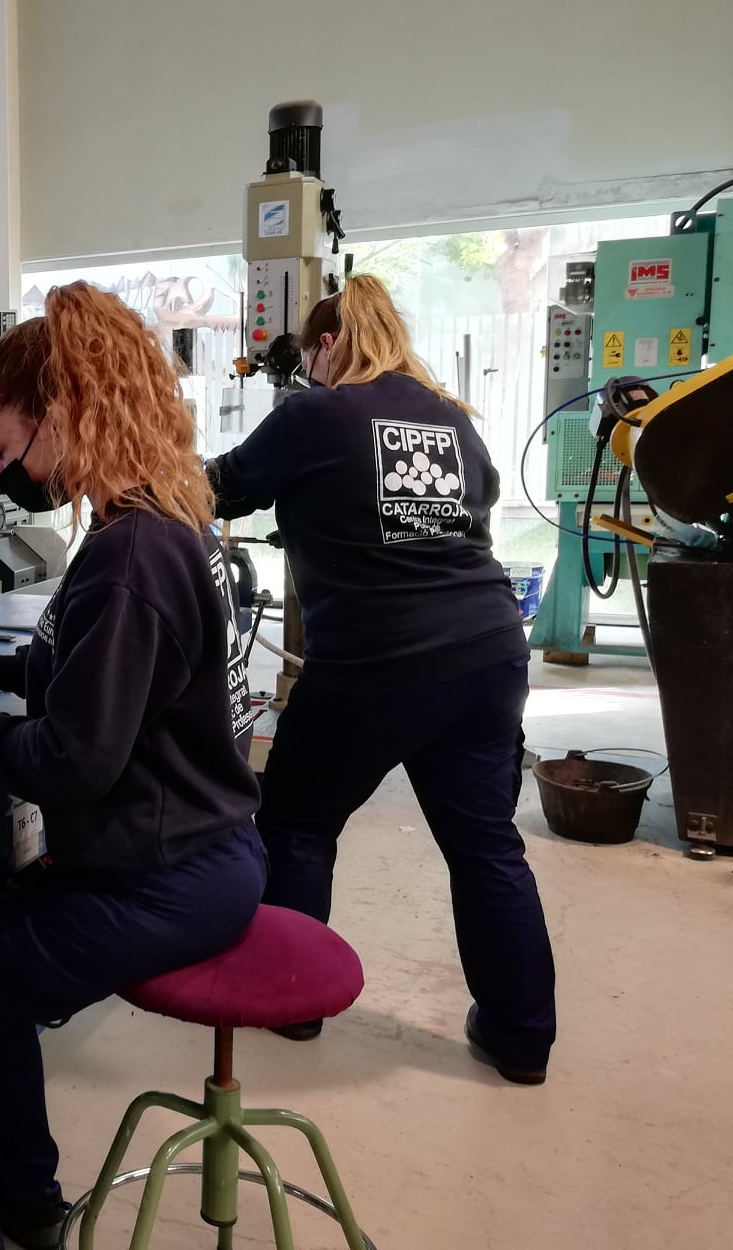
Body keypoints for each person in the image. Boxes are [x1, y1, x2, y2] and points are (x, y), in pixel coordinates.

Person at [0, 281, 265, 1250]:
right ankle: (25, 1203)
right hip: (194, 850)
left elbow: (74, 760)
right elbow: (123, 675)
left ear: (64, 411)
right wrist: (0, 670)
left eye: (3, 449)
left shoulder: (131, 553)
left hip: (164, 878)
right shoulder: (151, 515)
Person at [209, 273, 555, 1085]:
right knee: (486, 846)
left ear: (327, 346)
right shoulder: (454, 421)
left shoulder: (316, 414)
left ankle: (293, 1002)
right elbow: (472, 514)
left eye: (308, 357)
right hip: (489, 654)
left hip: (378, 664)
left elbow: (218, 486)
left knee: (298, 823)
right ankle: (521, 1038)